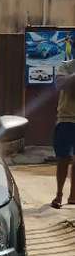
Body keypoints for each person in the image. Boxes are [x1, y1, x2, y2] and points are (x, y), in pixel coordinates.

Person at [52, 57, 75, 208]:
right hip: (66, 119)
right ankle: (59, 194)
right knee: (63, 159)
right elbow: (60, 83)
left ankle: (73, 196)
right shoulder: (66, 66)